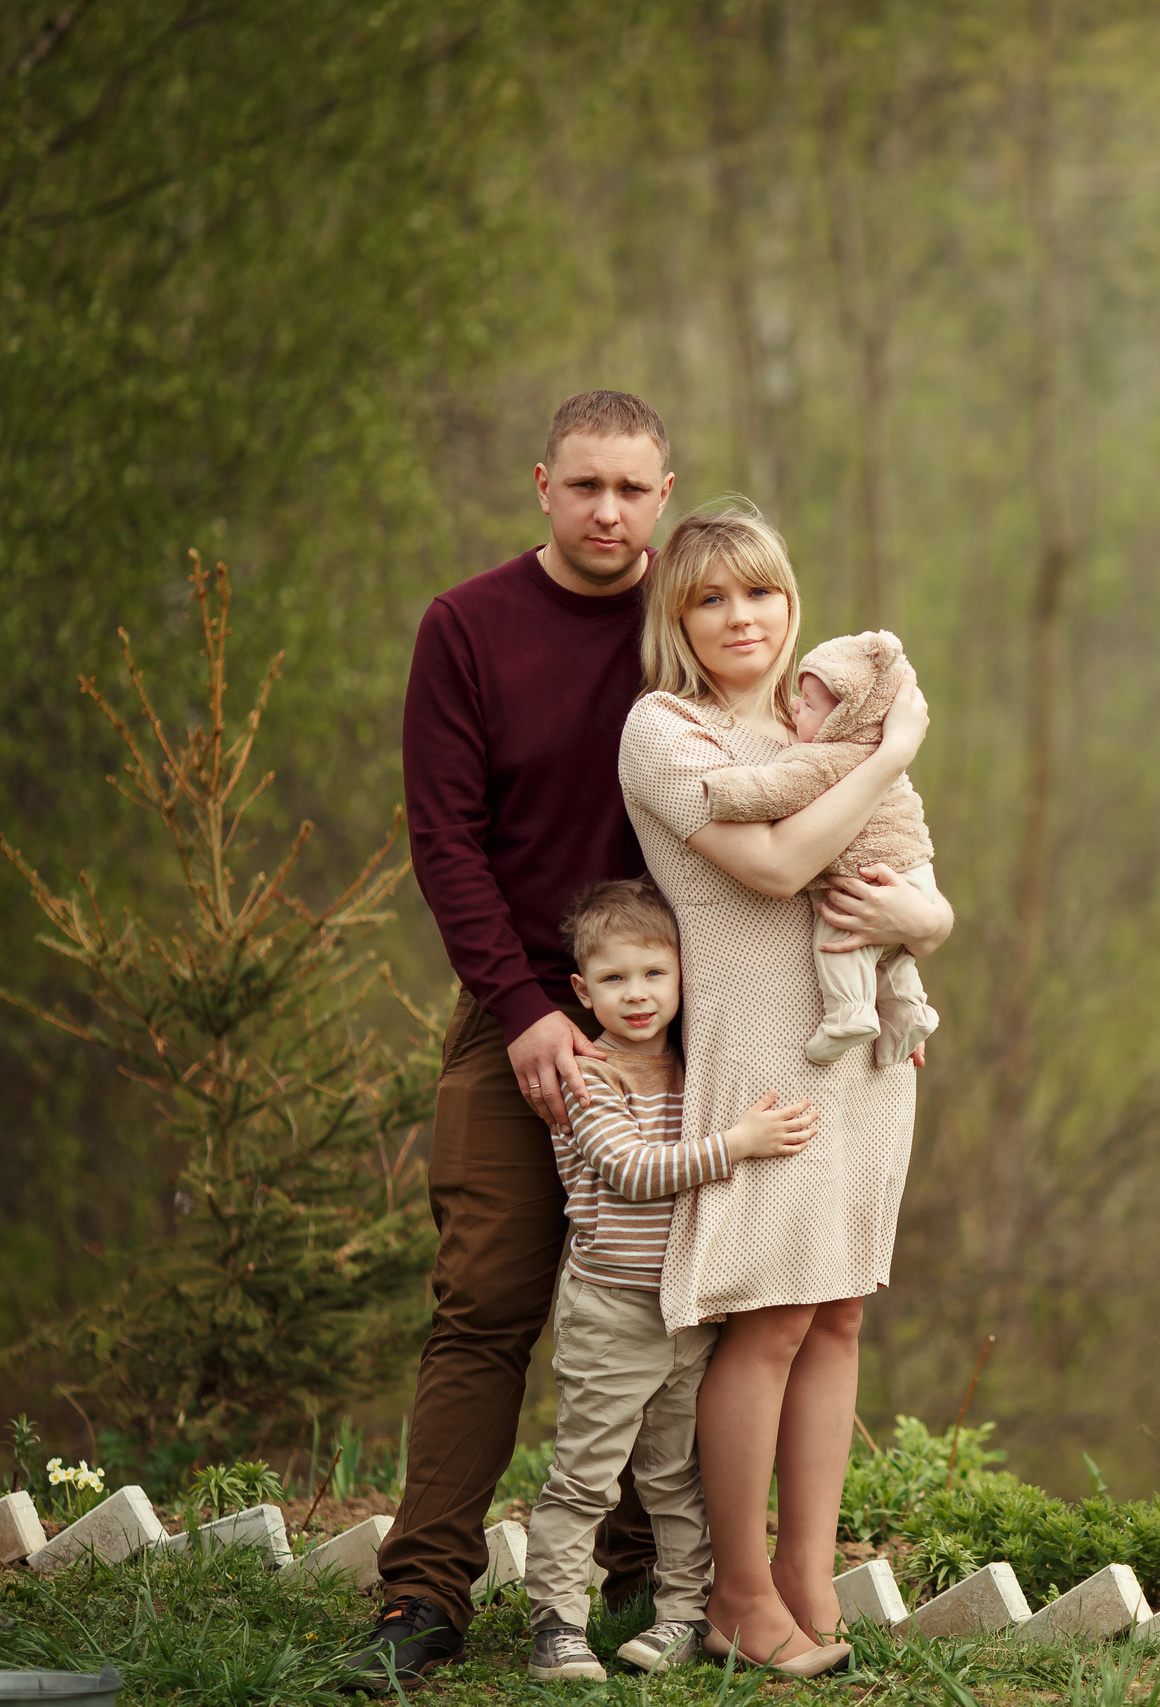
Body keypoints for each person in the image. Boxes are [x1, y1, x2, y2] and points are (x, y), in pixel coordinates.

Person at [354, 389, 677, 1690]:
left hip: (675, 1023)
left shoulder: (695, 620)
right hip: (513, 1011)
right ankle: (423, 1597)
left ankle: (656, 1575)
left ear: (665, 494)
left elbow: (787, 808)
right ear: (542, 484)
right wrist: (530, 1010)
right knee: (486, 1299)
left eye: (632, 489)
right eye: (584, 484)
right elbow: (446, 841)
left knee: (673, 1294)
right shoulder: (468, 628)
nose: (608, 510)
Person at [618, 502, 950, 1670]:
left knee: (840, 1311)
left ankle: (810, 1578)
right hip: (767, 1062)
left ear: (789, 600)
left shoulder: (825, 715)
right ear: (679, 619)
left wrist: (926, 916)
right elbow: (778, 866)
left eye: (757, 592)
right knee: (767, 1321)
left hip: (866, 1056)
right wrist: (895, 751)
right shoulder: (665, 732)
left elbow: (919, 890)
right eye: (709, 599)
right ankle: (735, 1597)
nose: (739, 618)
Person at [521, 878, 818, 1682]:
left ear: (684, 976)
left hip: (687, 1306)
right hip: (613, 1309)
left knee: (676, 1476)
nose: (638, 994)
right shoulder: (590, 1078)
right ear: (583, 991)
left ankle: (684, 1612)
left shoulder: (695, 1071)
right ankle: (558, 1623)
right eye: (615, 979)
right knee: (584, 1472)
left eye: (655, 973)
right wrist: (740, 1143)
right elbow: (630, 1170)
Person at [701, 629, 939, 1067]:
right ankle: (909, 1013)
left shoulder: (824, 758)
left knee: (840, 938)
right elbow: (930, 926)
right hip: (915, 873)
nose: (795, 707)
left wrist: (721, 790)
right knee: (893, 958)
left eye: (809, 705)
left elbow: (773, 789)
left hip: (865, 879)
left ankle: (849, 1015)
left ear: (842, 721)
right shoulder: (882, 754)